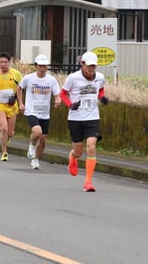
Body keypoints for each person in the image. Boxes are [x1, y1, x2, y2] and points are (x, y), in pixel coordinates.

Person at [60, 51, 108, 192]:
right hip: (76, 118)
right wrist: (70, 105)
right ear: (82, 64)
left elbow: (100, 89)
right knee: (78, 151)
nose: (91, 69)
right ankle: (72, 157)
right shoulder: (73, 78)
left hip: (92, 117)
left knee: (91, 146)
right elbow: (63, 94)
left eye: (94, 66)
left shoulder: (100, 77)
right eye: (89, 66)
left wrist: (102, 97)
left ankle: (88, 182)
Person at [17, 54, 61, 169]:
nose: (42, 68)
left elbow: (57, 94)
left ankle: (36, 159)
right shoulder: (29, 78)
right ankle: (31, 144)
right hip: (31, 110)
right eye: (40, 66)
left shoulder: (51, 80)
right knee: (37, 132)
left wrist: (57, 100)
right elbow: (19, 88)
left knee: (43, 139)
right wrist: (21, 103)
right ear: (36, 66)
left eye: (45, 66)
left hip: (45, 112)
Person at [0, 52, 23, 162]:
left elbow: (21, 89)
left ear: (9, 62)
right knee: (3, 128)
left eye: (5, 62)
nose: (3, 64)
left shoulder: (16, 74)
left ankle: (7, 137)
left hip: (12, 106)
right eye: (1, 62)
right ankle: (4, 152)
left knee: (10, 132)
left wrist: (21, 103)